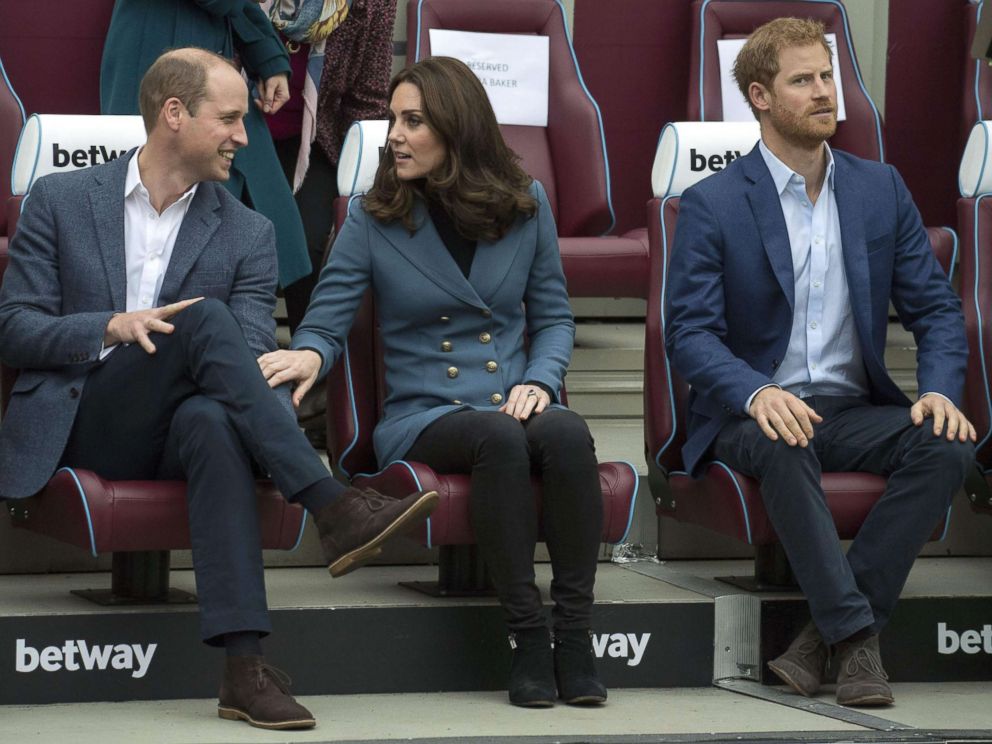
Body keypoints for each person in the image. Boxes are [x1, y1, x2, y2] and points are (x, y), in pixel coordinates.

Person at [0, 48, 437, 730]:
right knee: (202, 320)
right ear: (174, 114)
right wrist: (112, 327)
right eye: (230, 119)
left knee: (209, 416)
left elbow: (249, 356)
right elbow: (16, 329)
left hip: (179, 426)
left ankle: (243, 669)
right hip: (85, 420)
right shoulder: (60, 200)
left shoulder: (248, 231)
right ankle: (329, 501)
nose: (243, 135)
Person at [258, 56, 608, 708]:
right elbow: (328, 319)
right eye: (393, 119)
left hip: (508, 397)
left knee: (565, 433)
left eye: (412, 121)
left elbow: (555, 319)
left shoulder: (527, 206)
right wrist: (308, 355)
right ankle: (528, 636)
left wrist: (541, 378)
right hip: (423, 414)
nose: (393, 134)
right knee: (499, 440)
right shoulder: (373, 215)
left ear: (457, 127)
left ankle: (577, 634)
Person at [665, 17, 975, 707]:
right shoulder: (714, 203)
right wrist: (754, 391)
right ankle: (858, 642)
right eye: (802, 80)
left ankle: (823, 638)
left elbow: (935, 310)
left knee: (948, 443)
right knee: (783, 437)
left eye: (828, 77)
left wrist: (940, 391)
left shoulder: (879, 189)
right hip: (752, 412)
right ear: (760, 97)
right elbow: (689, 334)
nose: (824, 92)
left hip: (850, 407)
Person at [100, 0, 312, 294]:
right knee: (146, 216)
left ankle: (294, 336)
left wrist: (268, 58)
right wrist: (267, 53)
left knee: (268, 216)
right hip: (150, 49)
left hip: (212, 50)